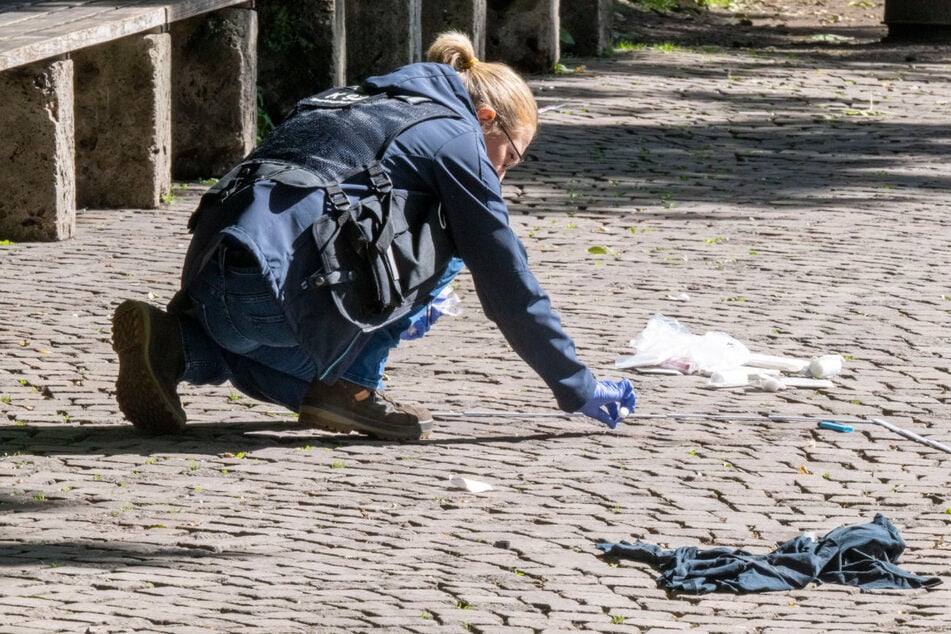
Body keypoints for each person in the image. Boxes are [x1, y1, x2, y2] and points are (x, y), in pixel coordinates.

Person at [111, 31, 636, 440]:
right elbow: (506, 278)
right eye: (509, 158)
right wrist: (576, 385)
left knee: (307, 386)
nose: (501, 176)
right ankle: (355, 385)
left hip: (211, 280)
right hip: (272, 293)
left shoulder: (345, 97)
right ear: (486, 118)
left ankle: (176, 344)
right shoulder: (457, 137)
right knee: (457, 237)